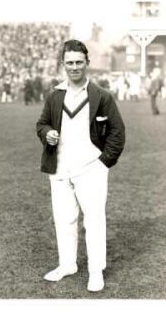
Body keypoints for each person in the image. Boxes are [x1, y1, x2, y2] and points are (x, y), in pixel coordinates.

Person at [36, 40, 125, 292]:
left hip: (91, 170)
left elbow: (117, 133)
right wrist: (48, 134)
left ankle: (96, 271)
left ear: (87, 63)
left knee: (94, 220)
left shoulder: (101, 96)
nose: (74, 67)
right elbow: (41, 124)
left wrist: (103, 163)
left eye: (79, 62)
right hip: (60, 168)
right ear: (63, 64)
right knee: (64, 219)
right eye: (69, 63)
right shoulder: (55, 95)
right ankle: (67, 265)